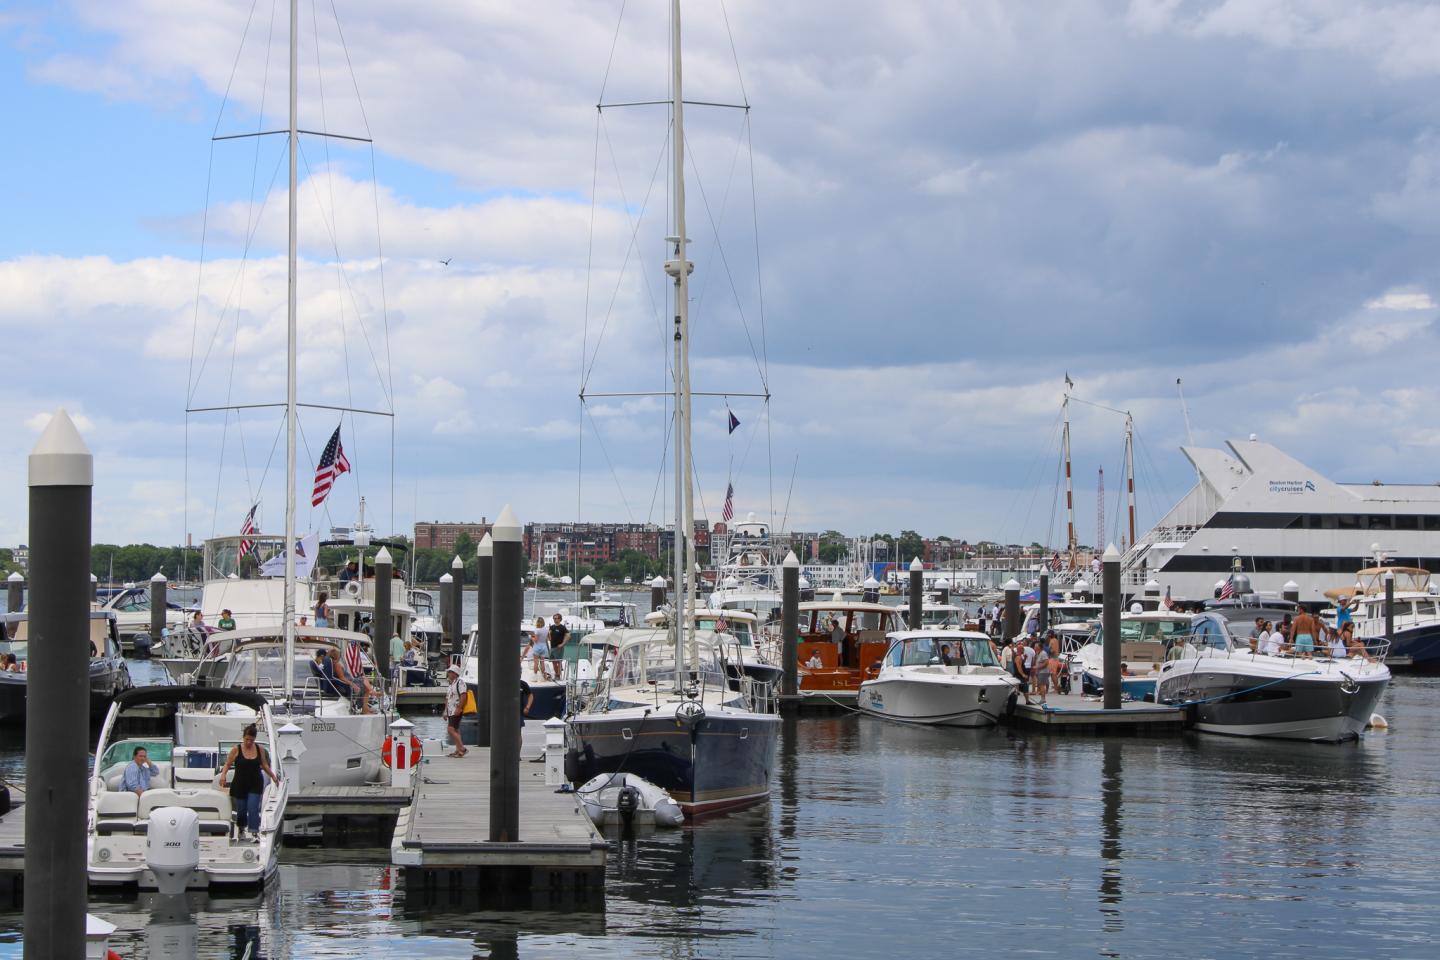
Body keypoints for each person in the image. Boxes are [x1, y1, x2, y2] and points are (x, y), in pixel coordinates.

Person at [218, 724, 276, 843]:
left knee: (253, 807)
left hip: (255, 782)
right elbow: (228, 764)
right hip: (240, 783)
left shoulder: (259, 749)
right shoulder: (236, 749)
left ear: (254, 739)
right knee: (242, 810)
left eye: (251, 740)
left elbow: (264, 765)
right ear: (243, 738)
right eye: (247, 739)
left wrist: (273, 776)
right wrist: (223, 775)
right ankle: (241, 829)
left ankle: (254, 832)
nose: (249, 742)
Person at [444, 664, 468, 758]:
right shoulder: (451, 684)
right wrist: (445, 711)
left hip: (456, 709)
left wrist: (459, 708)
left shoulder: (460, 682)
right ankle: (458, 751)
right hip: (450, 710)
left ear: (455, 673)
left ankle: (462, 748)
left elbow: (463, 695)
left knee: (450, 729)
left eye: (450, 672)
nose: (448, 674)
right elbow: (447, 699)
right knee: (456, 730)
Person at [1031, 636, 1050, 703]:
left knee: (1042, 685)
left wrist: (1037, 667)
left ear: (1039, 647)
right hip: (1040, 672)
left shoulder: (1043, 653)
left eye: (1036, 646)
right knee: (1040, 685)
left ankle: (1043, 699)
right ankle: (1042, 698)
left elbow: (1046, 662)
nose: (1035, 647)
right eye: (1035, 646)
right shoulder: (1037, 653)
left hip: (1043, 672)